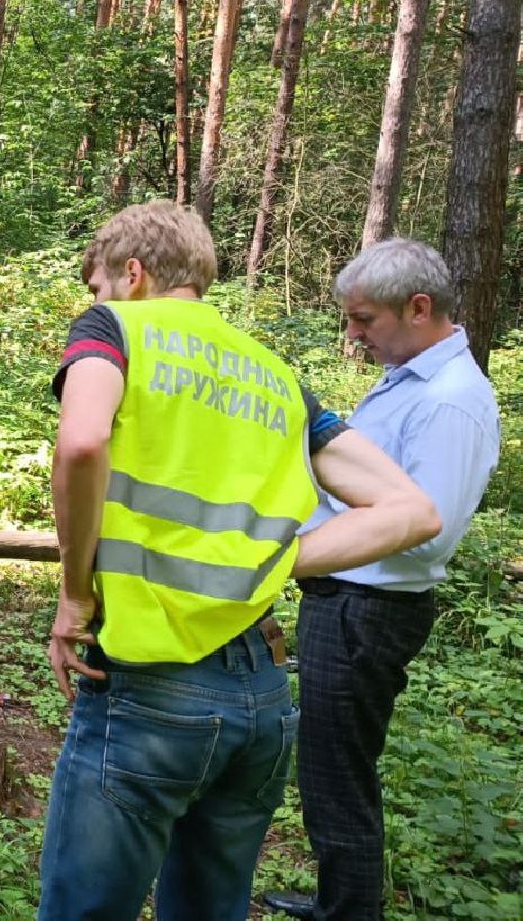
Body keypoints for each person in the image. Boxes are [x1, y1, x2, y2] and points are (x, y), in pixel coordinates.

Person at [40, 202, 442, 921]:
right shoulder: (275, 378)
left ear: (132, 275)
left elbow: (80, 443)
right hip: (259, 697)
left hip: (148, 690)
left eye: (98, 284)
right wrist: (272, 562)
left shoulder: (116, 331)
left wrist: (73, 594)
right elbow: (413, 512)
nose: (94, 300)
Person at [262, 240, 500, 921]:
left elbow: (429, 524)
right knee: (331, 768)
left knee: (338, 776)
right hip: (346, 599)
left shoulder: (453, 401)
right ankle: (342, 900)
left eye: (364, 319)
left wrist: (292, 556)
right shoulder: (409, 378)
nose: (354, 334)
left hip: (368, 608)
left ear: (417, 308)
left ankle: (347, 913)